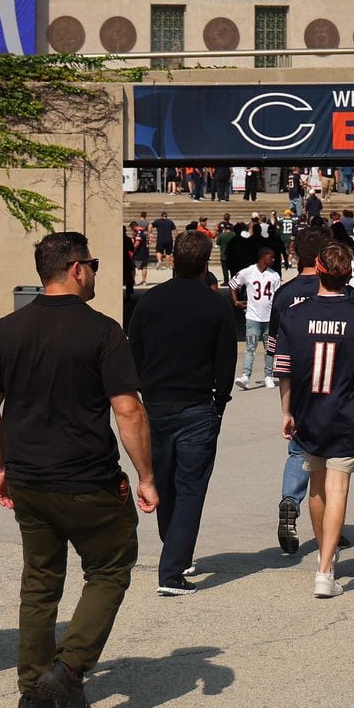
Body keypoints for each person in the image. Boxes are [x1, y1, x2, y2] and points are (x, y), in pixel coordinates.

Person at [0, 232, 158, 708]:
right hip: (89, 480)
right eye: (93, 264)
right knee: (111, 569)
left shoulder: (8, 329)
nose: (95, 271)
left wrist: (1, 466)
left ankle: (32, 697)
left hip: (30, 479)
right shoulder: (103, 331)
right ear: (77, 269)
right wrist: (146, 475)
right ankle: (69, 668)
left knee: (39, 585)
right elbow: (128, 409)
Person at [273, 243, 354, 597]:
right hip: (345, 411)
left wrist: (286, 410)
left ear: (318, 272)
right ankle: (326, 569)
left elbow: (284, 371)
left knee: (317, 485)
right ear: (348, 275)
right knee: (338, 485)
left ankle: (325, 556)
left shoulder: (295, 315)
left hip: (309, 411)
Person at [127, 229, 237, 597]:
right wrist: (219, 401)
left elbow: (135, 350)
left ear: (172, 259)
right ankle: (173, 569)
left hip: (156, 403)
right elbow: (226, 360)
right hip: (197, 405)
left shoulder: (149, 302)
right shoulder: (216, 305)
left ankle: (174, 546)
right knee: (191, 488)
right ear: (206, 264)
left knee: (164, 479)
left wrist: (145, 386)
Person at [231, 247, 281, 391]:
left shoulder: (274, 276)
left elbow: (278, 297)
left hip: (269, 318)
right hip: (253, 317)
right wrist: (236, 301)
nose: (273, 259)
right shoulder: (248, 272)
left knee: (269, 348)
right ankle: (246, 376)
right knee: (250, 347)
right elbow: (233, 285)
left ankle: (268, 376)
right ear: (263, 257)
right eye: (271, 257)